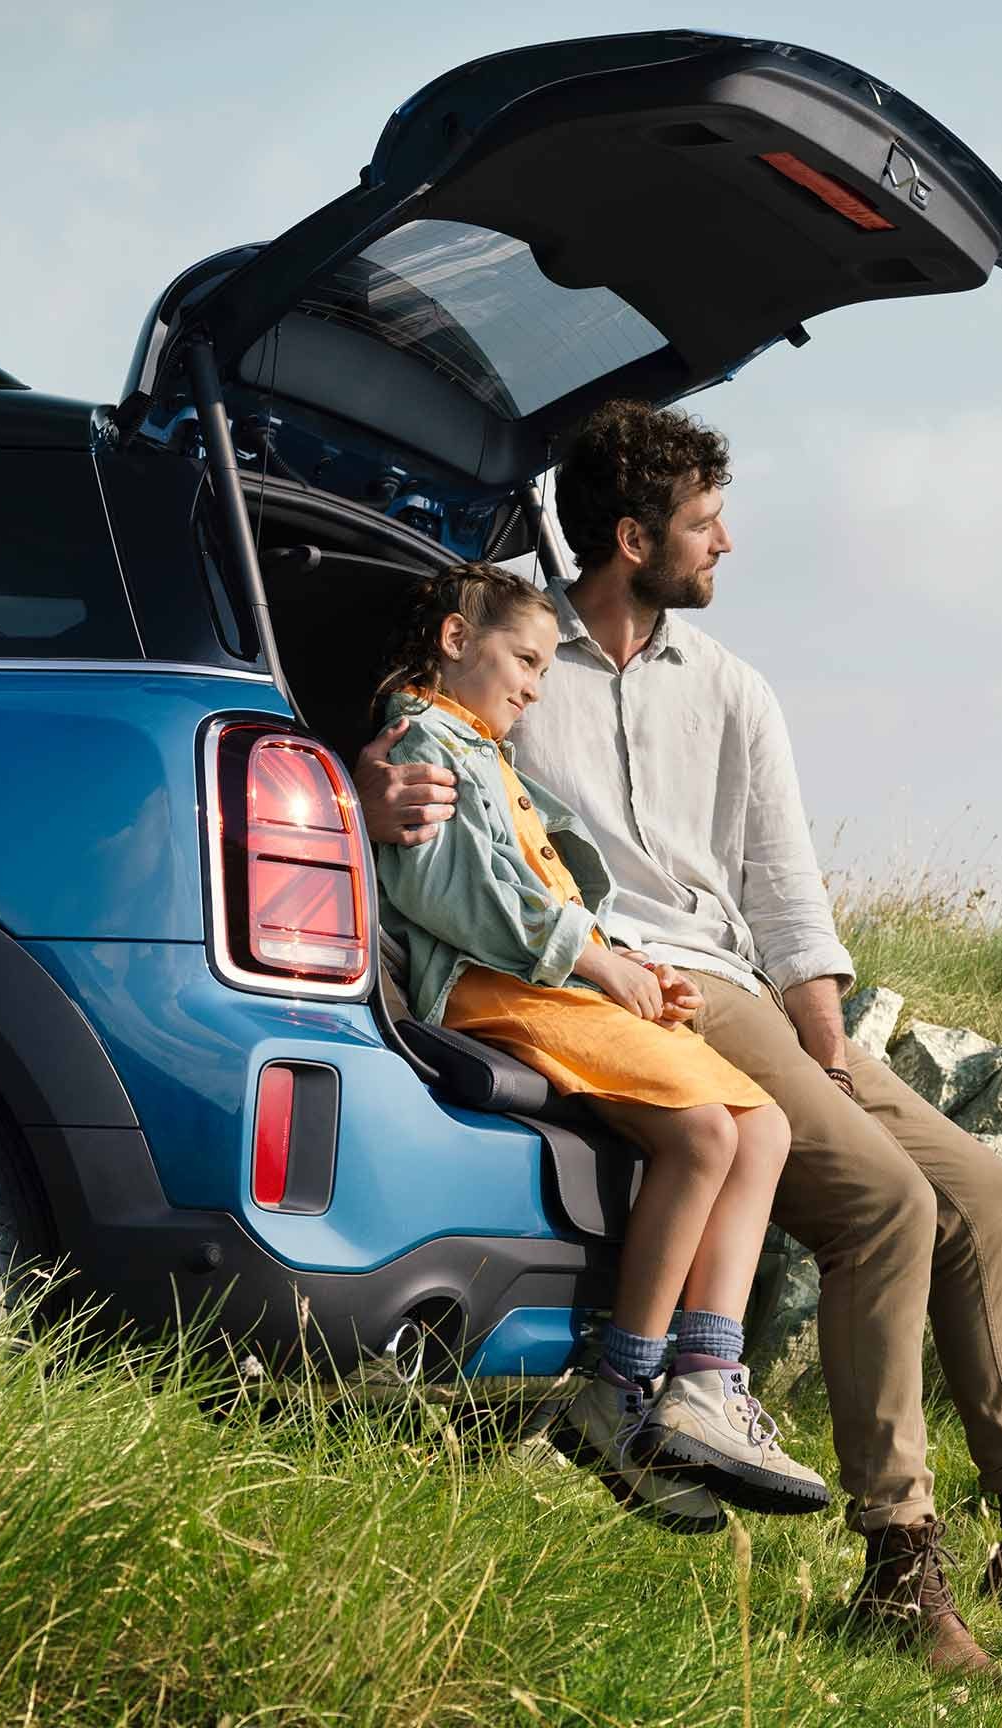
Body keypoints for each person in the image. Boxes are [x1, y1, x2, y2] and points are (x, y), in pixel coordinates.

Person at [358, 403, 1002, 1675]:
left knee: (984, 1184)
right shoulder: (521, 661)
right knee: (881, 1205)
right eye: (704, 525)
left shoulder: (735, 689)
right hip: (639, 988)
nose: (727, 545)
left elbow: (782, 882)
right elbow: (428, 747)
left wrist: (837, 1052)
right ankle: (898, 1566)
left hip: (756, 995)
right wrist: (377, 780)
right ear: (633, 538)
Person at [364, 561, 830, 1533]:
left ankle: (703, 1375)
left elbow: (565, 887)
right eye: (524, 658)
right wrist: (596, 963)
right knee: (707, 1135)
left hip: (558, 982)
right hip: (501, 994)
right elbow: (461, 900)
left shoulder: (488, 753)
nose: (538, 683)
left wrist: (625, 958)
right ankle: (621, 1388)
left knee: (764, 1128)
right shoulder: (422, 743)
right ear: (456, 641)